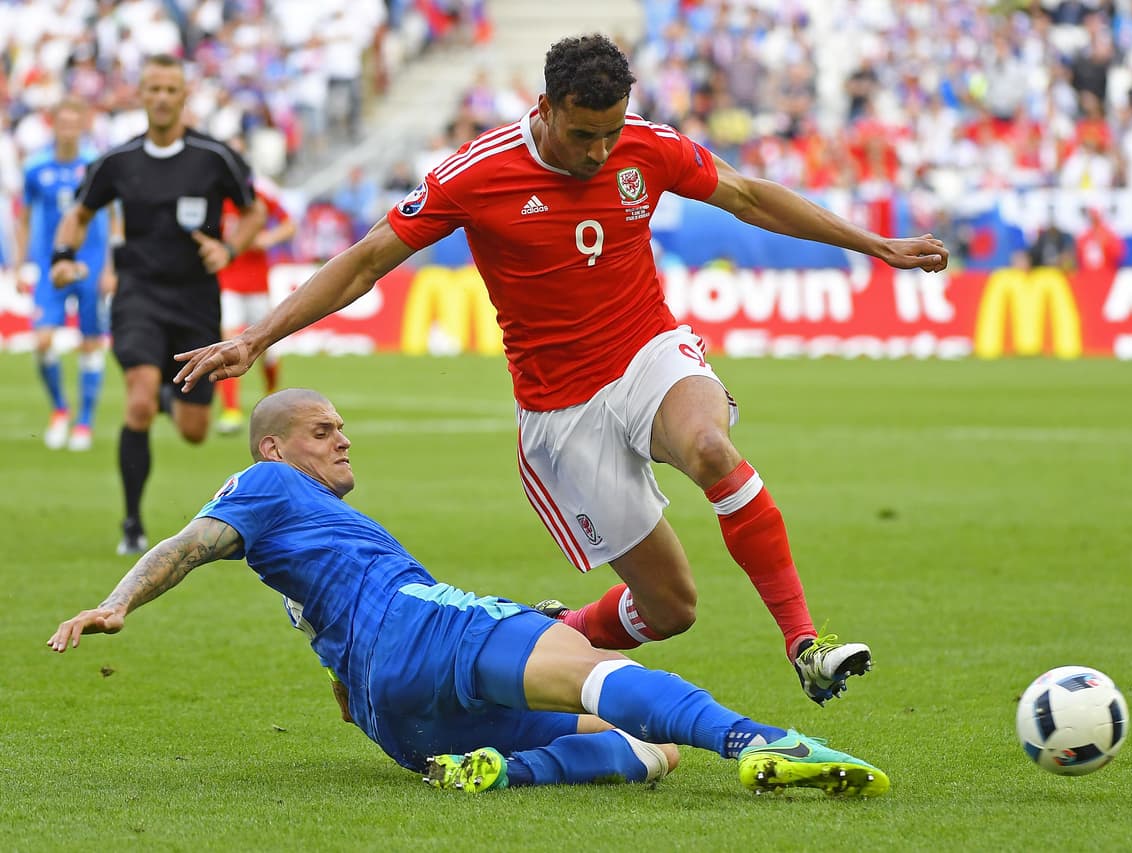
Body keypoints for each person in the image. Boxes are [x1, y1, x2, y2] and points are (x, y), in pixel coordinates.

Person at [174, 34, 949, 706]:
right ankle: (564, 630)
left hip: (648, 352)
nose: (600, 152)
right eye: (584, 134)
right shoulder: (475, 174)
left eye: (610, 133)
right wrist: (256, 335)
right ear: (544, 109)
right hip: (561, 412)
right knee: (672, 608)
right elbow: (369, 258)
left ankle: (805, 644)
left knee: (712, 450)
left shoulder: (645, 144)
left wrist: (874, 245)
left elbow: (747, 196)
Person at [48, 388, 891, 797]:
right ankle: (758, 740)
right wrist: (121, 600)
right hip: (414, 624)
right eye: (321, 431)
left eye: (342, 425)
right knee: (588, 666)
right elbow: (188, 543)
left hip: (393, 720)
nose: (343, 438)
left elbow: (333, 649)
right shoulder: (264, 487)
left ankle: (506, 771)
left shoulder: (298, 538)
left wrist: (354, 686)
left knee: (647, 747)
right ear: (274, 447)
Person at [51, 54, 266, 555]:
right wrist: (62, 256)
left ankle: (175, 401)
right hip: (138, 295)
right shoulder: (117, 161)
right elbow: (79, 215)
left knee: (194, 430)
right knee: (139, 399)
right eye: (154, 89)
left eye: (172, 89)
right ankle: (131, 523)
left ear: (185, 96)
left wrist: (228, 248)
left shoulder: (214, 157)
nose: (163, 98)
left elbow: (253, 213)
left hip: (195, 301)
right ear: (140, 95)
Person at [13, 98, 117, 451]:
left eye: (75, 122)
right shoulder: (35, 167)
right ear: (53, 124)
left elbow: (114, 216)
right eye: (63, 123)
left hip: (90, 262)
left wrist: (111, 267)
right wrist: (19, 264)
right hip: (48, 264)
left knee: (90, 342)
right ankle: (60, 408)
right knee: (42, 341)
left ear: (84, 124)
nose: (69, 129)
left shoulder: (96, 164)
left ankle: (84, 422)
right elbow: (24, 219)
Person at [215, 137, 297, 435]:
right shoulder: (216, 195)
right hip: (228, 281)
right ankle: (231, 411)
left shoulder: (260, 194)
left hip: (258, 284)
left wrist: (267, 239)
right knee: (227, 342)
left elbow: (289, 224)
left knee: (268, 349)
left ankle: (272, 402)